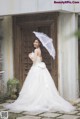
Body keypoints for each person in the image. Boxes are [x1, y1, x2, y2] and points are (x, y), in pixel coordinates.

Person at [3, 39, 76, 113]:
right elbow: (40, 59)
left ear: (39, 44)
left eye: (36, 42)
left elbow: (34, 60)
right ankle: (42, 100)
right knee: (41, 85)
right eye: (34, 41)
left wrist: (30, 56)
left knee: (35, 84)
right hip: (40, 68)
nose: (35, 43)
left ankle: (35, 100)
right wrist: (34, 56)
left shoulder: (36, 50)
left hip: (36, 68)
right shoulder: (39, 50)